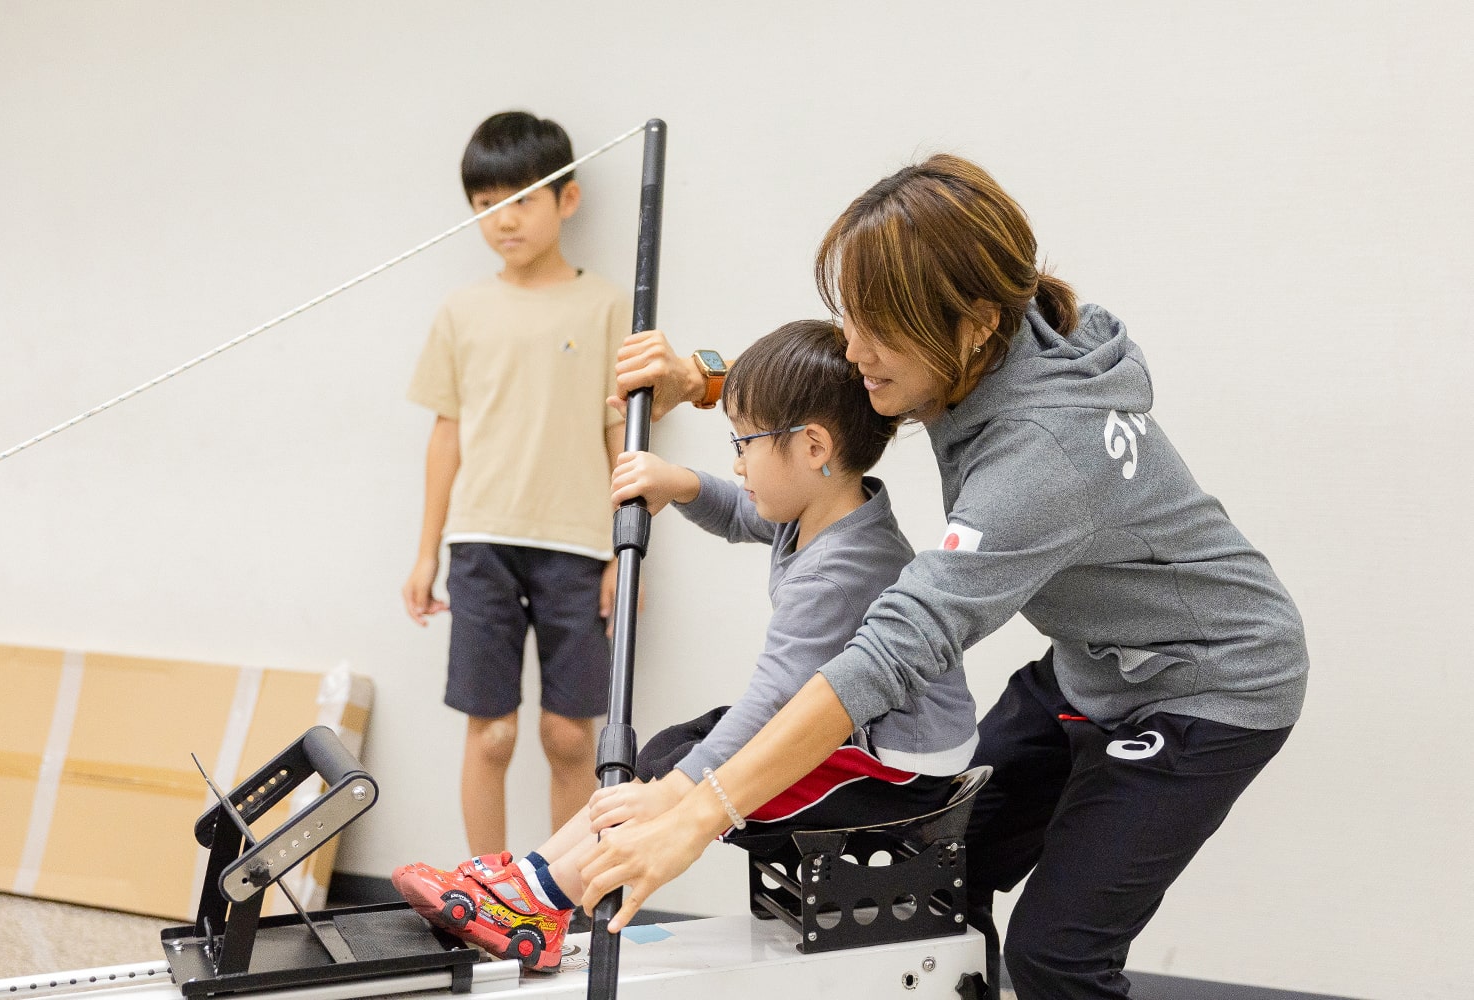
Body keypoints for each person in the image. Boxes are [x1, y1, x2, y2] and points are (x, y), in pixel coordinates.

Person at [579, 154, 1310, 1000]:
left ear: (972, 323)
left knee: (1056, 955)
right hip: (1094, 660)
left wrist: (701, 812)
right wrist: (709, 380)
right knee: (939, 872)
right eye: (850, 321)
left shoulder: (1040, 459)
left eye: (877, 331)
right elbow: (844, 394)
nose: (856, 351)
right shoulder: (1009, 326)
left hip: (1210, 683)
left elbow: (891, 651)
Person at [391, 319, 979, 971]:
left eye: (745, 443)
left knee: (676, 775)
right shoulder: (822, 509)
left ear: (812, 446)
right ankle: (533, 875)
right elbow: (738, 510)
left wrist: (686, 792)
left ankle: (540, 898)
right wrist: (680, 483)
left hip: (893, 771)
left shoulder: (843, 570)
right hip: (858, 736)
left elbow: (773, 702)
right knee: (669, 753)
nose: (736, 462)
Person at [401, 111, 630, 858]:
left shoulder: (604, 306)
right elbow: (448, 434)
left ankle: (561, 894)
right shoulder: (462, 311)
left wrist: (622, 553)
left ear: (568, 199)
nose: (503, 220)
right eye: (484, 204)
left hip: (576, 545)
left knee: (569, 736)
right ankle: (486, 892)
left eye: (521, 200)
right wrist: (426, 551)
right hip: (479, 546)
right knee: (491, 733)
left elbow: (616, 435)